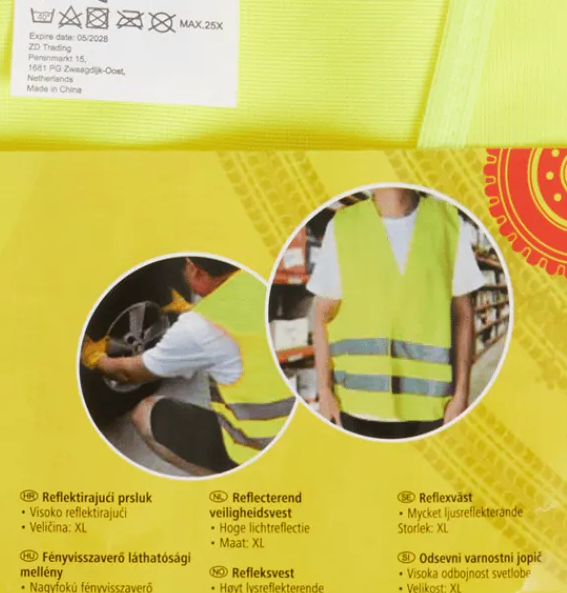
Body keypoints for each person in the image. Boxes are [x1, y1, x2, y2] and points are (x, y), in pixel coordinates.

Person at [82, 257, 294, 477]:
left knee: (144, 413)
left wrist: (95, 358)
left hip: (256, 451)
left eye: (184, 270)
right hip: (292, 436)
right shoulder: (255, 281)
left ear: (195, 270)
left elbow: (128, 373)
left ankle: (231, 479)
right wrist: (189, 313)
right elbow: (230, 324)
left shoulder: (197, 326)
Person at [307, 188, 484, 440]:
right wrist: (324, 392)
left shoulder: (448, 222)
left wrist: (461, 395)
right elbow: (321, 316)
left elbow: (464, 317)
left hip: (433, 410)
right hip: (355, 409)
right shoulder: (343, 226)